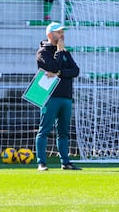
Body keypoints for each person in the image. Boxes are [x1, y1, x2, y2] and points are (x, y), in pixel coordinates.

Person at [35, 22, 81, 171]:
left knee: (63, 132)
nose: (61, 35)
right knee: (45, 130)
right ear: (50, 35)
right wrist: (60, 54)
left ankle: (65, 162)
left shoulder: (65, 52)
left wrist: (60, 73)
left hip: (66, 97)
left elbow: (75, 71)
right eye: (58, 32)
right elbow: (53, 66)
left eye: (62, 32)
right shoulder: (42, 52)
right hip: (50, 97)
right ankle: (41, 163)